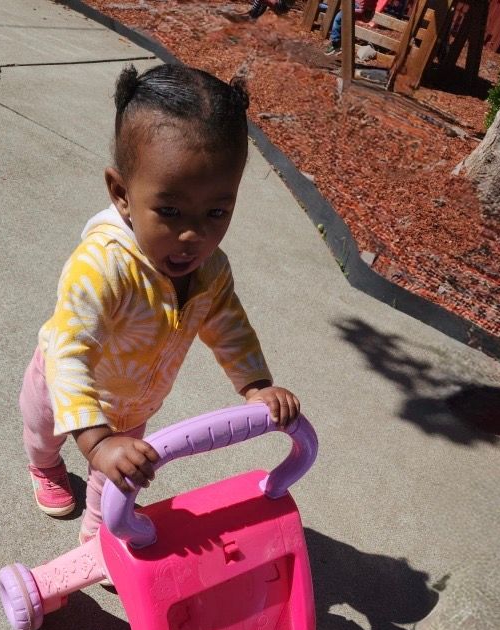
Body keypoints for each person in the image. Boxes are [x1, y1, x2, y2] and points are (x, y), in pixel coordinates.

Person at [19, 63, 300, 546]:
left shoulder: (211, 269)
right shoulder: (102, 266)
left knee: (121, 476)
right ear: (122, 194)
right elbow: (70, 355)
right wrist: (97, 440)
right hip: (64, 387)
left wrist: (257, 387)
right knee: (46, 435)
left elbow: (229, 326)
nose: (193, 235)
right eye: (169, 211)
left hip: (134, 402)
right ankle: (44, 466)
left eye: (217, 212)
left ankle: (100, 537)